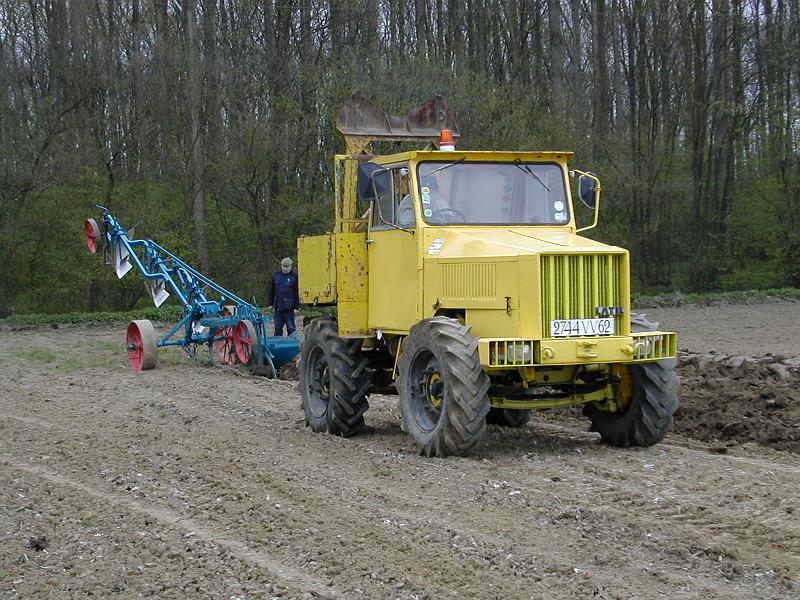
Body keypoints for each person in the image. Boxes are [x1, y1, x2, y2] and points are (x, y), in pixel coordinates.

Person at [268, 257, 300, 336]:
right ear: (281, 266)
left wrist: (297, 307)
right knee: (278, 328)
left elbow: (297, 293)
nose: (285, 268)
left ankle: (292, 345)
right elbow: (272, 291)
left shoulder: (294, 277)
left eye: (287, 267)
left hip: (289, 308)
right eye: (283, 266)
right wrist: (270, 304)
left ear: (291, 266)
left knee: (291, 328)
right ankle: (278, 345)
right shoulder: (276, 276)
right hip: (278, 308)